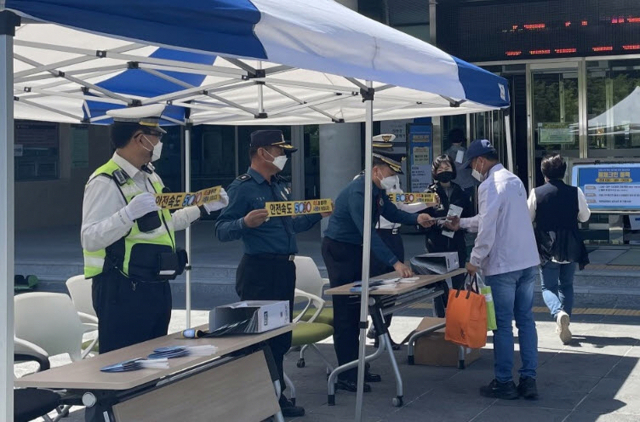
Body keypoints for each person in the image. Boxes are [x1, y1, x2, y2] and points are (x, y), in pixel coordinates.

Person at [81, 104, 229, 355]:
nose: (160, 141)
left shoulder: (150, 177)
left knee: (154, 360)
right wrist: (126, 215)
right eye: (157, 136)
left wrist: (203, 208)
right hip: (122, 288)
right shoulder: (105, 181)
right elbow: (89, 238)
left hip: (154, 282)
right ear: (140, 139)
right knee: (125, 363)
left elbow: (166, 223)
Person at [215, 129, 326, 418]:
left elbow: (292, 226)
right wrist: (244, 222)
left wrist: (318, 213)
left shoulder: (279, 185)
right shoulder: (242, 188)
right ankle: (262, 400)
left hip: (283, 268)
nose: (283, 157)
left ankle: (276, 396)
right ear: (262, 152)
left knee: (280, 338)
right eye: (280, 151)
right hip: (259, 270)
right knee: (259, 340)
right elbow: (221, 229)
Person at [322, 147, 436, 393]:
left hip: (354, 249)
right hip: (341, 251)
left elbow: (392, 212)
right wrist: (396, 262)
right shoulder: (359, 192)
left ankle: (357, 367)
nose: (394, 177)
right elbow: (369, 233)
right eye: (391, 172)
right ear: (376, 170)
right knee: (347, 312)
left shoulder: (376, 190)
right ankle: (346, 374)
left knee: (359, 310)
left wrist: (417, 219)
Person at [446, 139, 540, 400]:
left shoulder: (488, 185)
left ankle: (503, 382)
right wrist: (462, 223)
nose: (473, 170)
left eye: (473, 165)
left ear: (480, 162)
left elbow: (488, 228)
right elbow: (491, 219)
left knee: (503, 327)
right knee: (526, 322)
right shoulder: (514, 181)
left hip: (503, 264)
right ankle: (529, 379)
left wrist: (474, 260)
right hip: (527, 261)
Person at [365, 135, 429, 349]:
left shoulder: (393, 180)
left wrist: (424, 206)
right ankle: (379, 329)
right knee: (378, 286)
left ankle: (382, 329)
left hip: (394, 235)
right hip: (379, 234)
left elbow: (399, 210)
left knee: (393, 288)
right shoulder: (366, 181)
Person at [528, 154, 590, 344]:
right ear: (564, 172)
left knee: (548, 286)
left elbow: (527, 218)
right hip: (570, 244)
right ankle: (565, 321)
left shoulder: (537, 192)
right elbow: (585, 217)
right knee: (567, 285)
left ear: (544, 173)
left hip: (547, 245)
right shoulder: (575, 191)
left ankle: (558, 313)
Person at [421, 154, 473, 317]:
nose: (444, 172)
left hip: (457, 242)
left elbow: (471, 217)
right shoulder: (429, 193)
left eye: (447, 168)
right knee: (438, 285)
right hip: (436, 243)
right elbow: (420, 220)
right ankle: (439, 321)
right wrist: (436, 222)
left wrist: (459, 224)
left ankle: (458, 319)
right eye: (440, 169)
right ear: (435, 172)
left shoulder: (461, 192)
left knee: (459, 282)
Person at [444, 128, 475, 195]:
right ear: (462, 140)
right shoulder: (462, 151)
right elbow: (458, 166)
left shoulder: (446, 153)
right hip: (465, 185)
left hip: (452, 185)